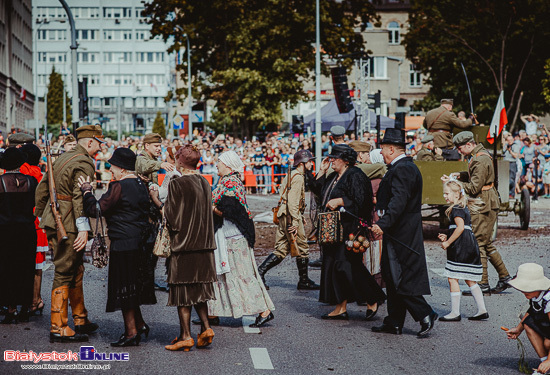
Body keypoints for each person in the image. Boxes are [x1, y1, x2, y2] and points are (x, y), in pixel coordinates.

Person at [78, 148, 156, 347]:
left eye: (112, 165)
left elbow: (96, 209)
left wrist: (87, 191)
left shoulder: (119, 185)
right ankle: (139, 324)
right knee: (132, 286)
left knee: (124, 288)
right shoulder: (140, 183)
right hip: (140, 241)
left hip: (123, 242)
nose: (110, 168)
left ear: (121, 167)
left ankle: (131, 333)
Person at [35, 125, 104, 343]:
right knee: (65, 270)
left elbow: (42, 190)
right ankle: (59, 326)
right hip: (69, 222)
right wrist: (83, 228)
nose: (100, 148)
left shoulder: (62, 158)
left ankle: (80, 318)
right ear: (90, 142)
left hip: (55, 218)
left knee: (76, 268)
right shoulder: (84, 162)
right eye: (99, 144)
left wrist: (41, 215)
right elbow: (79, 197)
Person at [371, 128, 437, 338]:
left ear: (391, 148)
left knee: (399, 276)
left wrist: (384, 223)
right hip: (399, 231)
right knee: (391, 276)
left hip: (402, 232)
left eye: (382, 149)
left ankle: (425, 313)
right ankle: (394, 321)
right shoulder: (402, 167)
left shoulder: (403, 169)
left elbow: (399, 201)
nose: (380, 153)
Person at [309, 144, 386, 320]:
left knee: (348, 266)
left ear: (345, 160)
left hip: (350, 229)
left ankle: (373, 298)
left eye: (334, 158)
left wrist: (341, 201)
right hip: (333, 230)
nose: (331, 161)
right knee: (333, 267)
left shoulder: (356, 175)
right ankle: (340, 306)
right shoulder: (334, 176)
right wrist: (321, 171)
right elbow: (318, 190)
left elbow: (363, 201)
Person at [200, 151, 275, 328]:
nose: (216, 164)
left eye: (219, 161)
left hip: (234, 236)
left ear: (227, 164)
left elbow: (229, 210)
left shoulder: (231, 183)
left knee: (242, 275)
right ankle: (213, 312)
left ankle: (264, 311)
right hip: (227, 234)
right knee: (222, 274)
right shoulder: (227, 181)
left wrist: (210, 207)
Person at [162, 145, 217, 352]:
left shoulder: (177, 183)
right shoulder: (205, 182)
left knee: (183, 294)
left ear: (180, 161)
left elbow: (172, 218)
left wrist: (156, 199)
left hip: (183, 247)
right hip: (205, 247)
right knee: (200, 291)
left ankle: (185, 336)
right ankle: (206, 328)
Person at [444, 131, 511, 295]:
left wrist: (455, 183)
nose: (459, 151)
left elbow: (474, 187)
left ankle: (482, 284)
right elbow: (477, 176)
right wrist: (460, 175)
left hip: (484, 204)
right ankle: (504, 277)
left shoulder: (480, 159)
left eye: (460, 148)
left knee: (479, 242)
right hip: (487, 202)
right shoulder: (479, 155)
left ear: (469, 144)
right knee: (486, 242)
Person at [258, 150, 321, 291]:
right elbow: (293, 202)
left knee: (281, 249)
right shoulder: (298, 177)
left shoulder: (291, 174)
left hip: (284, 214)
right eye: (310, 161)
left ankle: (260, 272)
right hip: (290, 216)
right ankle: (303, 281)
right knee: (303, 248)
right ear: (303, 163)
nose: (312, 163)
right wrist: (295, 221)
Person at [437, 179, 488, 322]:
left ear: (456, 194)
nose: (445, 196)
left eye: (447, 193)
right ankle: (482, 310)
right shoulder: (462, 207)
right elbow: (461, 229)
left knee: (452, 277)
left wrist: (447, 242)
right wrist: (447, 235)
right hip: (468, 244)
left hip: (461, 247)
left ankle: (455, 312)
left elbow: (459, 228)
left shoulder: (456, 209)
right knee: (470, 279)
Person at [0, 148, 38, 323]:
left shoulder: (1, 182)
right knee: (26, 268)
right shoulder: (31, 181)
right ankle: (25, 308)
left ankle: (10, 308)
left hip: (6, 230)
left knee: (7, 269)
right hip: (27, 229)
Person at [136, 133, 175, 292]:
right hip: (142, 212)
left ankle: (148, 281)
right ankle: (143, 283)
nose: (159, 148)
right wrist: (161, 164)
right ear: (147, 146)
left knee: (150, 250)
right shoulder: (142, 158)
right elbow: (143, 166)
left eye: (160, 146)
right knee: (144, 249)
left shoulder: (150, 160)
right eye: (156, 146)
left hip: (149, 211)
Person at [505, 263, 550, 375]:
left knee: (548, 343)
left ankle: (547, 363)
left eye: (528, 288)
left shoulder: (549, 300)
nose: (524, 291)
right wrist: (518, 329)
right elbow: (532, 310)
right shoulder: (536, 295)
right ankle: (543, 364)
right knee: (528, 324)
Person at [19, 144, 49, 316]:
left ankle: (28, 300)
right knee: (37, 265)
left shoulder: (22, 172)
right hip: (37, 221)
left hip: (25, 220)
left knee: (25, 263)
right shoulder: (38, 174)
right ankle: (35, 300)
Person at [503, 134, 520, 199]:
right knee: (505, 179)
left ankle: (511, 194)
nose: (509, 141)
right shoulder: (505, 146)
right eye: (508, 140)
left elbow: (515, 156)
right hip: (505, 163)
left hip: (512, 163)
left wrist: (510, 151)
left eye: (510, 140)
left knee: (511, 179)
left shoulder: (515, 146)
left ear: (513, 140)